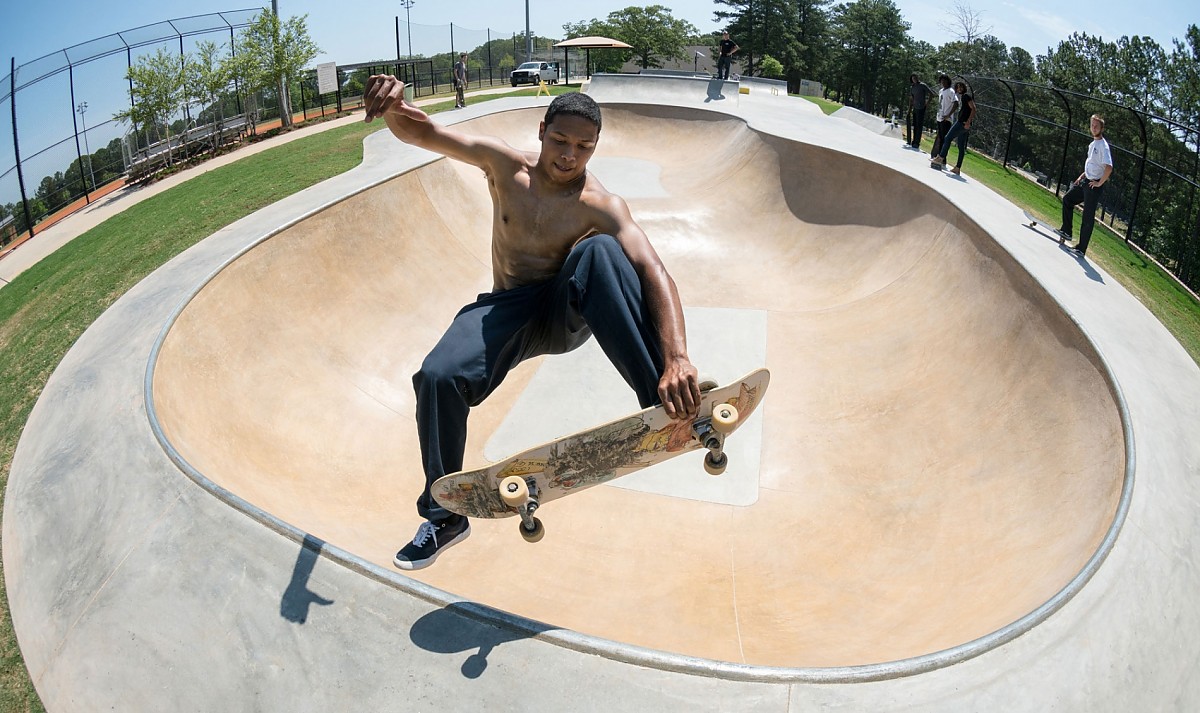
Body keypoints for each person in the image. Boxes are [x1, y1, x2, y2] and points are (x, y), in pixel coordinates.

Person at [361, 77, 703, 570]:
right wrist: (395, 105)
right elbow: (424, 133)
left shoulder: (602, 205)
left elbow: (654, 270)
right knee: (436, 376)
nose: (570, 155)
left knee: (601, 250)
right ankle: (444, 517)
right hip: (508, 310)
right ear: (541, 131)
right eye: (560, 141)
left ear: (595, 147)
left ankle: (664, 401)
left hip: (567, 308)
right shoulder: (502, 164)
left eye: (584, 147)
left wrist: (676, 357)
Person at [1056, 114, 1114, 256]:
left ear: (1102, 128)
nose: (1093, 128)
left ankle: (1081, 248)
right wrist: (1082, 176)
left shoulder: (1103, 146)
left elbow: (1109, 167)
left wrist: (1099, 183)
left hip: (1093, 187)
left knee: (1087, 217)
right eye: (1092, 125)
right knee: (1068, 199)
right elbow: (1092, 163)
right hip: (1085, 181)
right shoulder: (1092, 144)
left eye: (1096, 126)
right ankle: (1067, 230)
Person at [933, 80, 976, 174]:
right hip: (964, 124)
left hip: (962, 123)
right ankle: (957, 168)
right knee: (961, 147)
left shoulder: (966, 96)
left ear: (964, 88)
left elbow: (974, 108)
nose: (959, 89)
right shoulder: (962, 98)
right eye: (957, 87)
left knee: (947, 138)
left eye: (961, 87)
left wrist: (968, 122)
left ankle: (941, 157)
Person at [930, 74, 958, 161]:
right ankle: (938, 156)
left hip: (946, 118)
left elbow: (956, 103)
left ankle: (942, 158)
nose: (943, 82)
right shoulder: (941, 91)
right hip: (940, 116)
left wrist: (949, 115)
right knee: (940, 138)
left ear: (948, 81)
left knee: (944, 139)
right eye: (942, 81)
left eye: (945, 81)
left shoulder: (951, 91)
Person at [906, 73, 932, 150]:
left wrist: (927, 103)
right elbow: (911, 99)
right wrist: (909, 109)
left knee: (919, 125)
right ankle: (913, 141)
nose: (914, 79)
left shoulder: (922, 85)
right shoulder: (912, 87)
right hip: (915, 107)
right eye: (913, 78)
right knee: (915, 125)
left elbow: (931, 93)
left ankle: (917, 142)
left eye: (915, 78)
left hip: (921, 107)